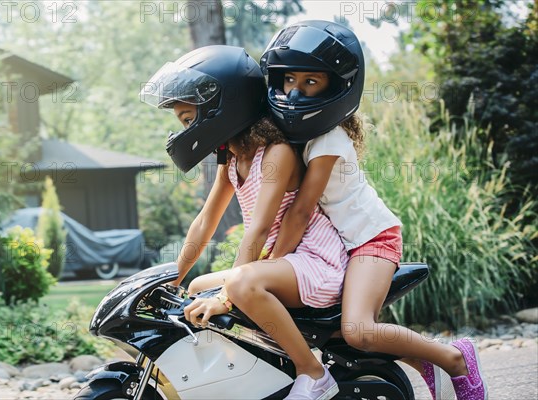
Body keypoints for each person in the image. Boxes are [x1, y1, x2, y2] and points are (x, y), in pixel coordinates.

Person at [260, 20, 488, 400]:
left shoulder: (327, 140)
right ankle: (421, 361)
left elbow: (300, 212)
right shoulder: (296, 137)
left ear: (336, 86)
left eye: (310, 83)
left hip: (371, 240)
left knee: (359, 331)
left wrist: (266, 264)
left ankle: (453, 357)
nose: (295, 92)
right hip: (337, 249)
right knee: (326, 329)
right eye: (289, 81)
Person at [141, 45, 348, 400]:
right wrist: (172, 278)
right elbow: (206, 219)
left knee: (238, 287)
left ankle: (313, 373)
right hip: (284, 262)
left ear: (224, 108)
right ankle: (259, 368)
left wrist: (227, 294)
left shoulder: (276, 154)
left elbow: (260, 229)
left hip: (315, 260)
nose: (187, 131)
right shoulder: (232, 159)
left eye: (190, 119)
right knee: (195, 288)